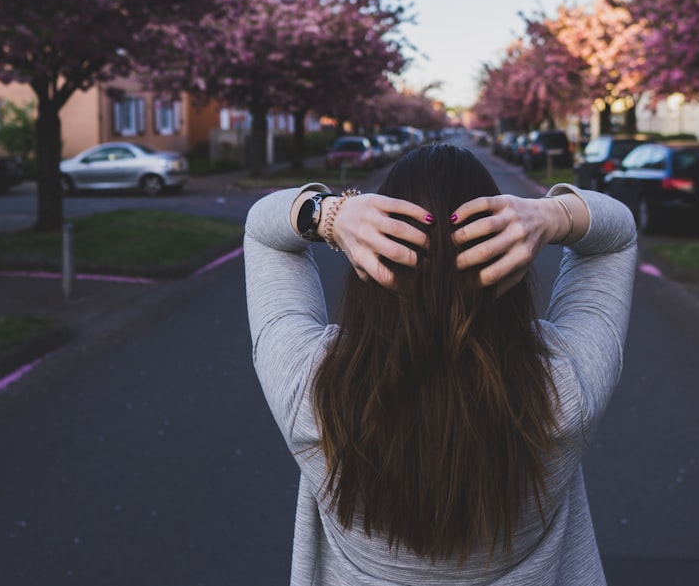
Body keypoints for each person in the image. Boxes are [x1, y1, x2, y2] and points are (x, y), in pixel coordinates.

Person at [244, 143, 637, 585]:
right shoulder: (563, 393)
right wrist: (552, 216)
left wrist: (330, 215)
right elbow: (615, 237)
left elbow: (264, 232)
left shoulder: (313, 392)